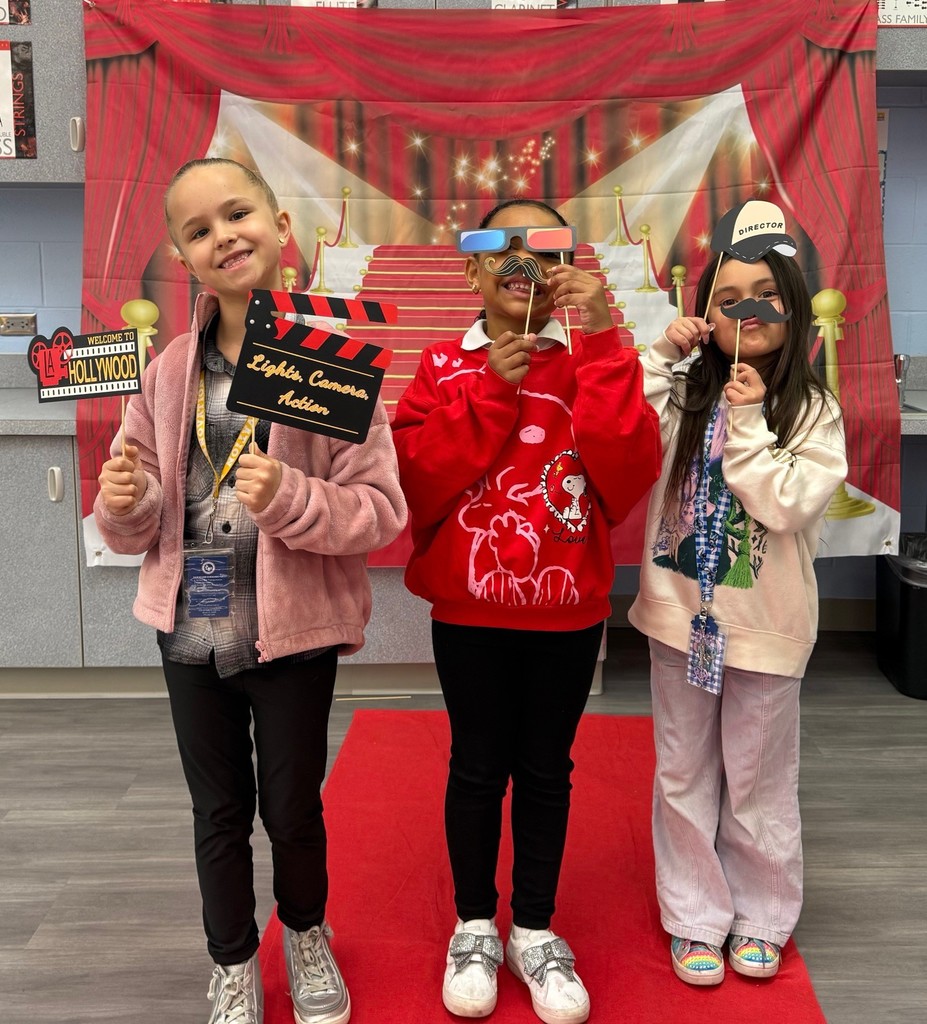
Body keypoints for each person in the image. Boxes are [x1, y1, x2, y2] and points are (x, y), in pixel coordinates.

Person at [95, 158, 406, 1024]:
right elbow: (136, 520)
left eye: (238, 214)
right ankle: (231, 959)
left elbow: (380, 511)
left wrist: (290, 497)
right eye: (199, 230)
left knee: (293, 809)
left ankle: (304, 933)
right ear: (181, 256)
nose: (223, 236)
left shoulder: (327, 364)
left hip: (291, 633)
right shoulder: (166, 373)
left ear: (279, 226)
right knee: (218, 810)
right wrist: (124, 501)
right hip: (189, 627)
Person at [392, 199, 661, 1022]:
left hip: (567, 616)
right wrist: (489, 392)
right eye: (502, 249)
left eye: (543, 251)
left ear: (565, 271)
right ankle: (474, 924)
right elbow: (418, 482)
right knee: (476, 768)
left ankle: (534, 929)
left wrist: (604, 337)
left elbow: (627, 470)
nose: (522, 265)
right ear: (471, 270)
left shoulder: (593, 360)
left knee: (546, 770)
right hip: (468, 615)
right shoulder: (443, 366)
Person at [628, 248, 848, 986]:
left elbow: (784, 505)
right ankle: (694, 913)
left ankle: (761, 912)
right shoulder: (685, 398)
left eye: (763, 296)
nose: (746, 311)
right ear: (706, 317)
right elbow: (623, 427)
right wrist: (663, 356)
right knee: (682, 770)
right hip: (679, 620)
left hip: (766, 629)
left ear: (792, 308)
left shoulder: (813, 411)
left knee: (757, 777)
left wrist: (749, 419)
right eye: (727, 299)